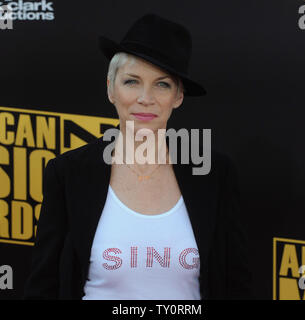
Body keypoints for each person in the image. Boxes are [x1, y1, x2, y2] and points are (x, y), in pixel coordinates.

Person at [23, 13, 252, 300]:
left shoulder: (215, 174)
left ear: (178, 96)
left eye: (162, 84)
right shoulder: (68, 173)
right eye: (132, 82)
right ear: (111, 89)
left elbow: (237, 285)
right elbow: (42, 287)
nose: (146, 97)